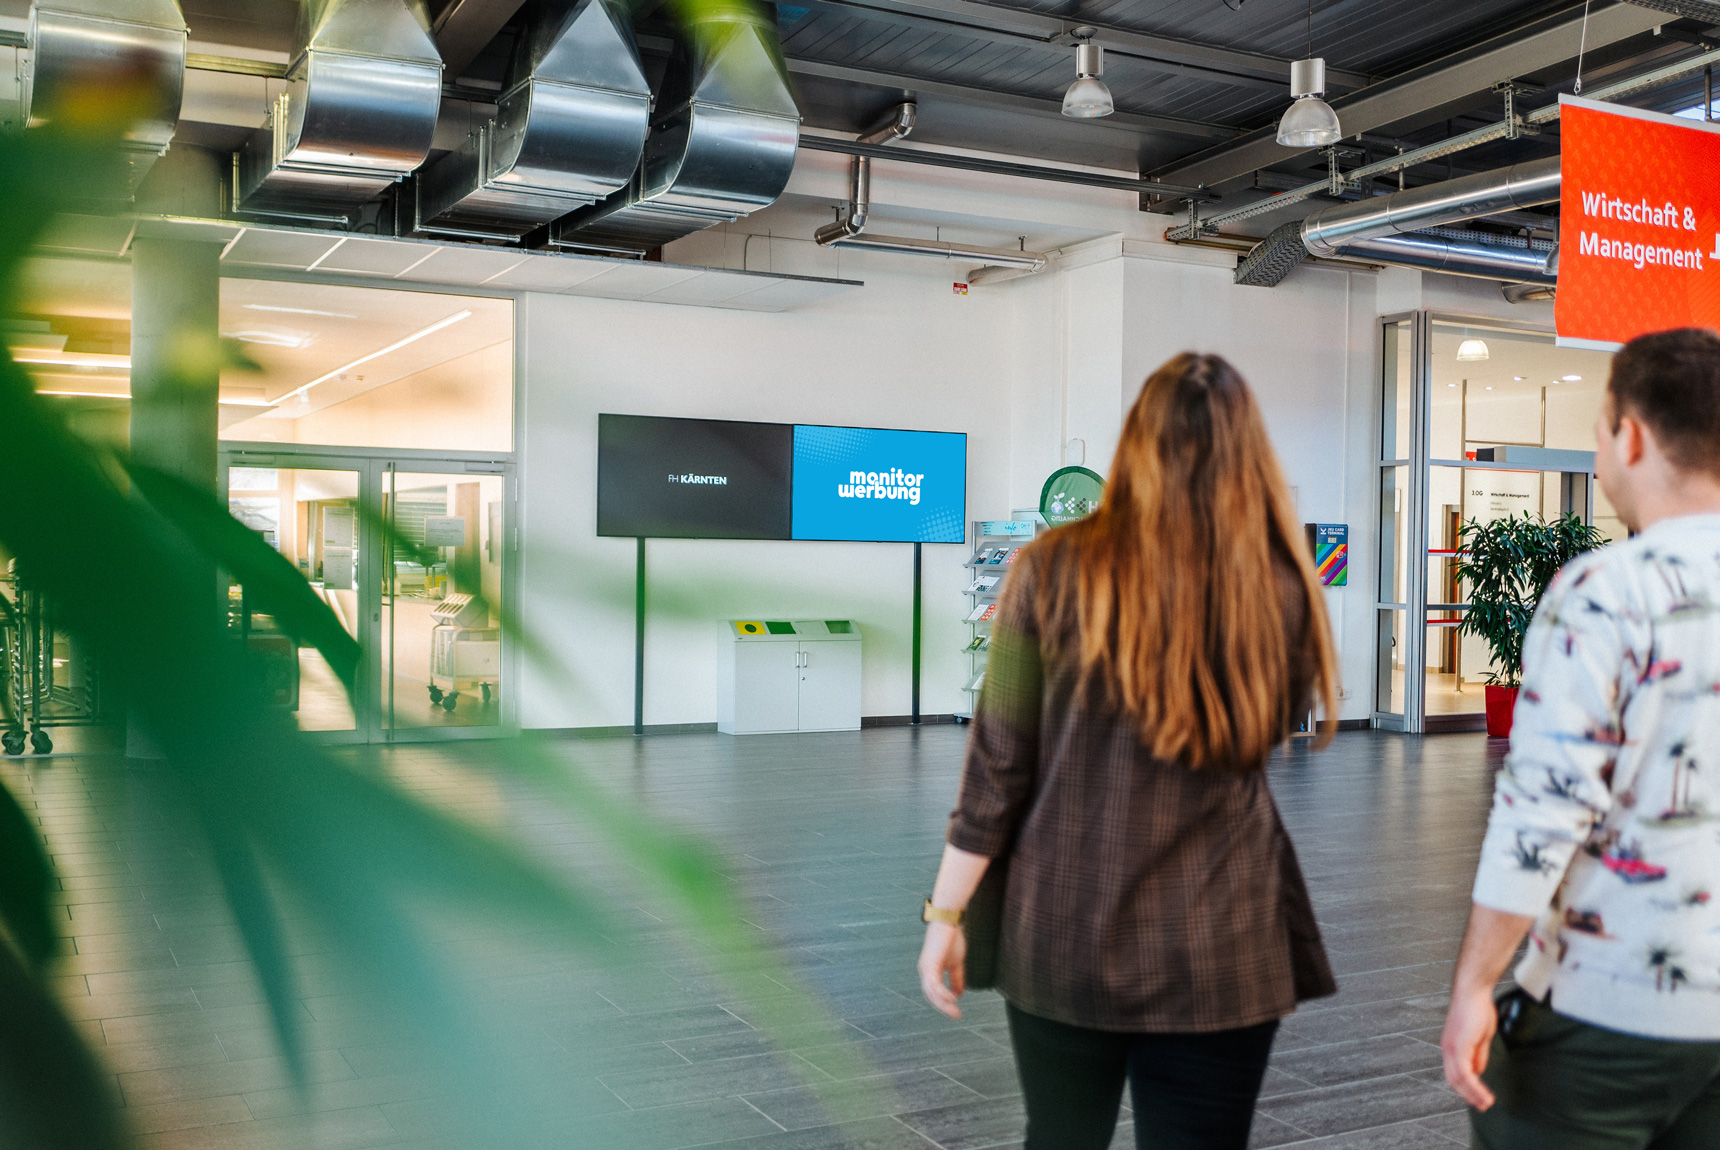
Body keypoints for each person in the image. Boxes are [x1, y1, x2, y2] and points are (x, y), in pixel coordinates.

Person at [916, 352, 1340, 1150]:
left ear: (1134, 446)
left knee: (1060, 1137)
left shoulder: (1050, 570)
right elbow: (1269, 728)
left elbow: (997, 769)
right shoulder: (1283, 588)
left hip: (1066, 929)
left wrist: (946, 913)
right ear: (1248, 451)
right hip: (1227, 937)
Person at [1440, 327, 1720, 1148]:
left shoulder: (1604, 591)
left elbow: (1542, 817)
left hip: (1605, 1017)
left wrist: (1474, 986)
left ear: (1629, 435)